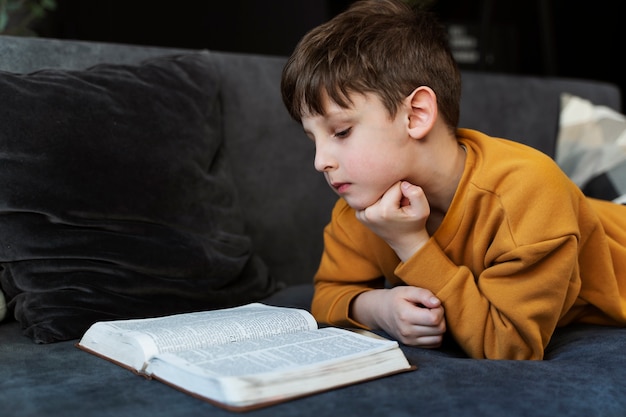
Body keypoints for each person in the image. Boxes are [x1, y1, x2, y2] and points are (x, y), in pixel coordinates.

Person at [280, 0, 626, 360]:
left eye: (341, 131)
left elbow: (511, 348)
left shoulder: (529, 191)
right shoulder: (364, 204)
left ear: (416, 115)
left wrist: (412, 244)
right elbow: (327, 293)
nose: (321, 162)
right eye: (313, 139)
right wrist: (377, 306)